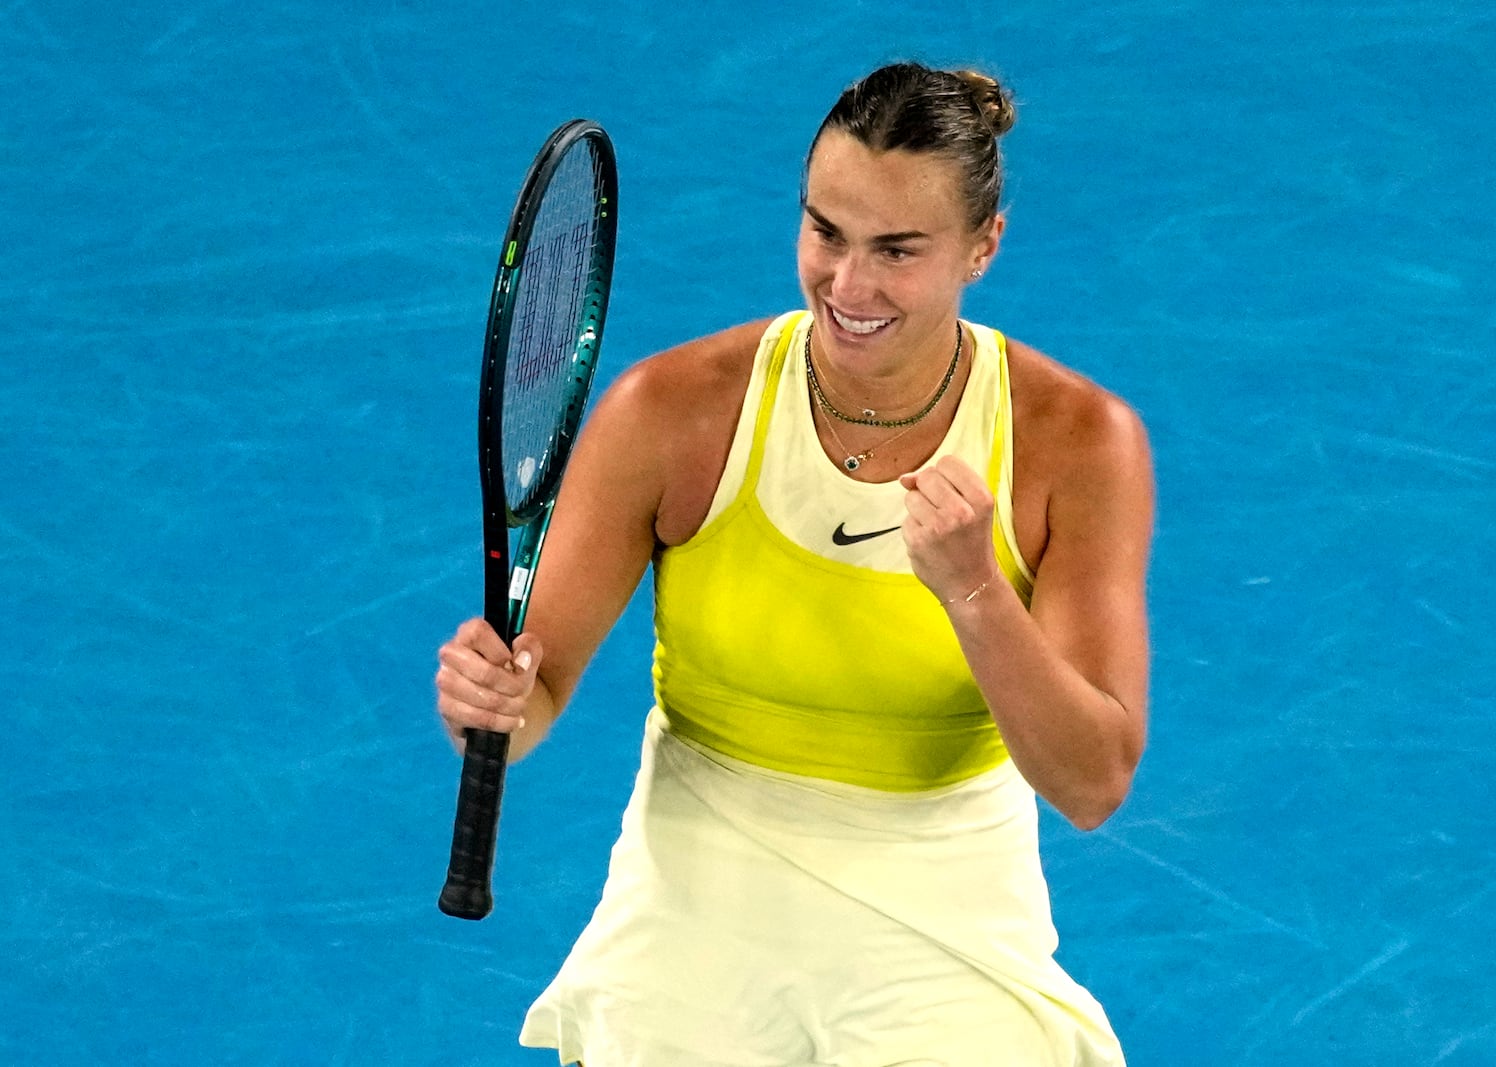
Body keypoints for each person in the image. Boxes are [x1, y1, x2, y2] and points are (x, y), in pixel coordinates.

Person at [435, 61, 1154, 1066]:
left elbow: (1090, 782)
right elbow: (533, 692)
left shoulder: (1076, 441)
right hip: (701, 882)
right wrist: (492, 705)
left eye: (898, 249)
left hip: (942, 886)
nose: (848, 286)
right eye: (826, 231)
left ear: (982, 247)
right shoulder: (673, 411)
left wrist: (976, 591)